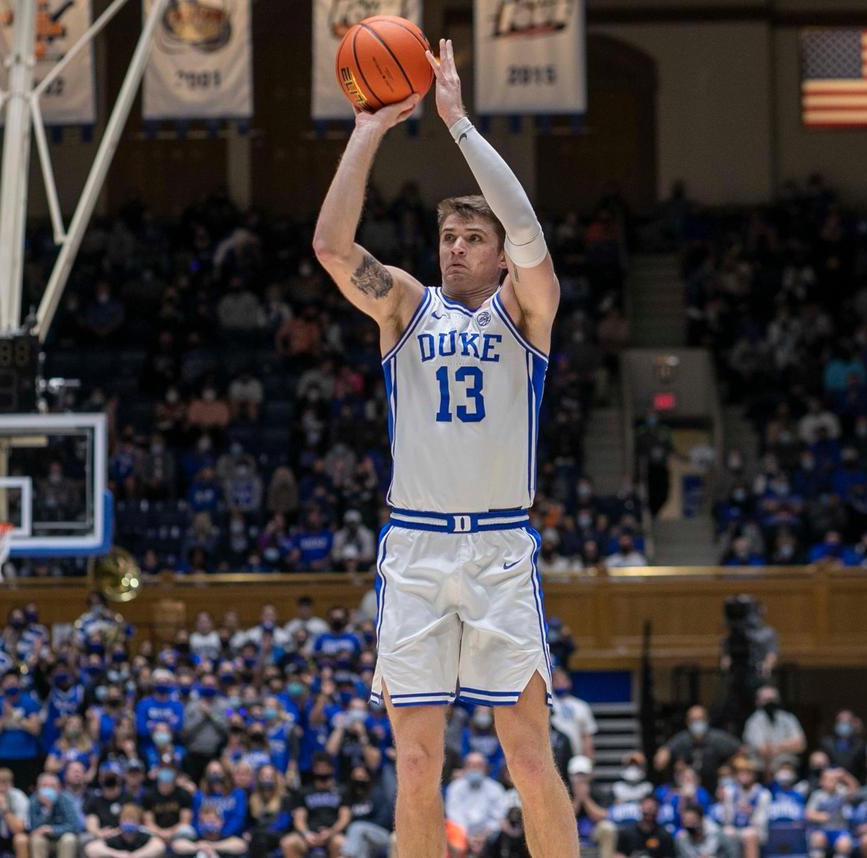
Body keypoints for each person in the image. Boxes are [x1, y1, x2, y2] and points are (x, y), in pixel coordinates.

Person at [313, 35, 572, 858]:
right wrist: (369, 128)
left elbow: (528, 227)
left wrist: (456, 121)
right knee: (416, 761)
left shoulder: (526, 311)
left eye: (471, 236)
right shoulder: (405, 307)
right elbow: (329, 246)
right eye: (448, 235)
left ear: (499, 255)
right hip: (417, 551)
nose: (454, 246)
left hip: (498, 549)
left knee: (529, 758)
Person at [654, 707, 742, 793]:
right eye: (693, 719)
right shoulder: (682, 739)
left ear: (707, 720)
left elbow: (741, 750)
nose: (697, 722)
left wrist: (729, 765)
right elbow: (663, 755)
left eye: (700, 719)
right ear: (688, 722)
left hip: (715, 783)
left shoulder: (717, 738)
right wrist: (664, 756)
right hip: (690, 786)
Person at [280, 754, 349, 858]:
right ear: (314, 770)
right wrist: (306, 834)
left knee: (341, 843)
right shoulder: (304, 791)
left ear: (332, 769)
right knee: (288, 842)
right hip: (309, 834)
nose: (322, 771)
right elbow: (299, 818)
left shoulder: (341, 790)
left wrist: (331, 832)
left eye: (325, 768)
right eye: (319, 768)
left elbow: (344, 817)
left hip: (332, 834)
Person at [444, 753, 508, 846]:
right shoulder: (455, 787)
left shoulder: (496, 788)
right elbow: (454, 816)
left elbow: (498, 817)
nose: (474, 768)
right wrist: (468, 837)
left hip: (489, 838)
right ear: (465, 768)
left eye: (479, 765)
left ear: (486, 768)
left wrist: (484, 836)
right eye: (471, 765)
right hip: (461, 836)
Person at [741, 687, 805, 771]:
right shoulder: (753, 721)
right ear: (758, 702)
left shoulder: (788, 718)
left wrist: (776, 747)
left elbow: (800, 745)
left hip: (786, 762)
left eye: (772, 699)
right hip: (759, 765)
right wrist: (786, 745)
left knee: (786, 765)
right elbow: (763, 750)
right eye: (766, 700)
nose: (770, 703)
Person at [567, 756, 613, 858]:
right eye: (576, 774)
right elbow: (564, 819)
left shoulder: (598, 790)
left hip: (593, 831)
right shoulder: (563, 791)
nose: (579, 778)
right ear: (570, 775)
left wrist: (586, 799)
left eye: (582, 774)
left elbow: (603, 816)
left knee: (608, 828)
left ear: (589, 775)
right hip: (570, 832)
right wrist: (578, 799)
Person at [28, 772, 82, 858]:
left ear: (59, 788)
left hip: (62, 838)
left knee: (69, 839)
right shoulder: (34, 801)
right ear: (38, 788)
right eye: (44, 786)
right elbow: (34, 828)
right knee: (37, 840)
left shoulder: (66, 799)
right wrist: (47, 810)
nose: (48, 789)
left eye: (52, 786)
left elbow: (74, 826)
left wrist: (52, 830)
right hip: (45, 840)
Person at [83, 804, 166, 858]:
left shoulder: (143, 836)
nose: (129, 822)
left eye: (132, 819)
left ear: (138, 822)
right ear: (120, 821)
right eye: (125, 819)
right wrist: (117, 854)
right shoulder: (116, 837)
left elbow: (159, 846)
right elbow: (90, 849)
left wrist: (135, 856)